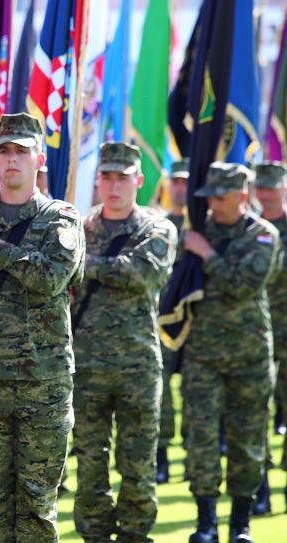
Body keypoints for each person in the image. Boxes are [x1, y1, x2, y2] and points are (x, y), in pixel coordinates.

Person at [0, 112, 85, 542]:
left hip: (43, 383)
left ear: (39, 159)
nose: (12, 159)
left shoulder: (60, 218)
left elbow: (51, 277)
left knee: (36, 504)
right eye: (4, 151)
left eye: (21, 152)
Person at [71, 142, 177, 543]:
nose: (114, 186)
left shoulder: (157, 228)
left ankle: (135, 533)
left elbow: (141, 273)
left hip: (137, 365)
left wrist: (82, 265)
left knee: (138, 463)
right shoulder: (79, 228)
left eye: (123, 178)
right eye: (107, 177)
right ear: (98, 181)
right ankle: (95, 534)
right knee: (89, 463)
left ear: (139, 180)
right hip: (86, 365)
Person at [181, 162, 282, 543]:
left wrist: (206, 254)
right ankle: (205, 522)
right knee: (202, 441)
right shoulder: (197, 230)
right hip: (203, 355)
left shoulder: (263, 234)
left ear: (242, 196)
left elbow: (244, 284)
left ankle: (241, 523)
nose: (214, 205)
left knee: (248, 441)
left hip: (249, 356)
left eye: (221, 198)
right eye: (210, 197)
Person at [253, 160, 287, 514]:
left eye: (271, 187)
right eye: (260, 188)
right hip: (259, 334)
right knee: (258, 411)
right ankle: (260, 487)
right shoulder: (250, 229)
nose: (265, 194)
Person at [157, 158, 189, 485]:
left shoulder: (203, 228)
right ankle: (162, 455)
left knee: (195, 392)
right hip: (163, 320)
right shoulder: (160, 226)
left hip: (196, 323)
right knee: (162, 390)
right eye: (176, 182)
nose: (180, 188)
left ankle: (194, 455)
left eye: (186, 182)